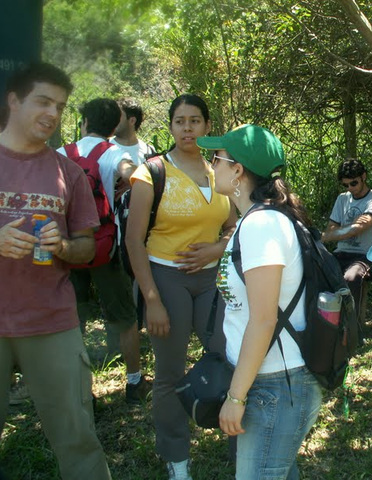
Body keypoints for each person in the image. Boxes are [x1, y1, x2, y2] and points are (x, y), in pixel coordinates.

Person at [0, 62, 111, 479]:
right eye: (42, 101)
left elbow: (86, 247)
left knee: (78, 438)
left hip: (52, 322)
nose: (52, 114)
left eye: (59, 106)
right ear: (13, 101)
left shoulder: (68, 173)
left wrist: (62, 246)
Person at [200, 124, 322, 479]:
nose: (211, 165)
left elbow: (264, 319)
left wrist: (235, 397)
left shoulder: (261, 226)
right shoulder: (254, 221)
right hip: (268, 381)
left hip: (274, 386)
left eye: (216, 158)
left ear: (237, 169)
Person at [125, 94, 236, 480]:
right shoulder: (151, 172)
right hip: (166, 278)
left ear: (207, 125)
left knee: (227, 359)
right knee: (170, 373)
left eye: (195, 121)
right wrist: (151, 299)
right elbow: (134, 241)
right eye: (179, 121)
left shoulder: (219, 171)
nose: (187, 128)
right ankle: (177, 459)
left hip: (212, 279)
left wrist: (220, 247)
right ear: (170, 126)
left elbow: (233, 226)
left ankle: (238, 443)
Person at [58, 98, 149, 404]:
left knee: (72, 320)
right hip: (104, 247)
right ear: (112, 127)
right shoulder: (113, 153)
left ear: (83, 122)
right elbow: (132, 172)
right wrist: (131, 181)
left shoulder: (61, 154)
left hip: (67, 248)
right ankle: (135, 382)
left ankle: (79, 389)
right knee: (125, 317)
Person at [322, 159, 372, 328]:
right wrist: (347, 228)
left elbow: (359, 228)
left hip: (364, 255)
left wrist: (337, 232)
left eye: (353, 183)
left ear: (364, 177)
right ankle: (328, 325)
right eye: (346, 185)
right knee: (319, 270)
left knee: (352, 277)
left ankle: (354, 329)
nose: (350, 188)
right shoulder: (342, 199)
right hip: (341, 253)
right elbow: (333, 228)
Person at [110, 98, 156, 202]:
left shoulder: (149, 151)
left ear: (132, 120)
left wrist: (133, 186)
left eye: (117, 116)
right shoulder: (105, 148)